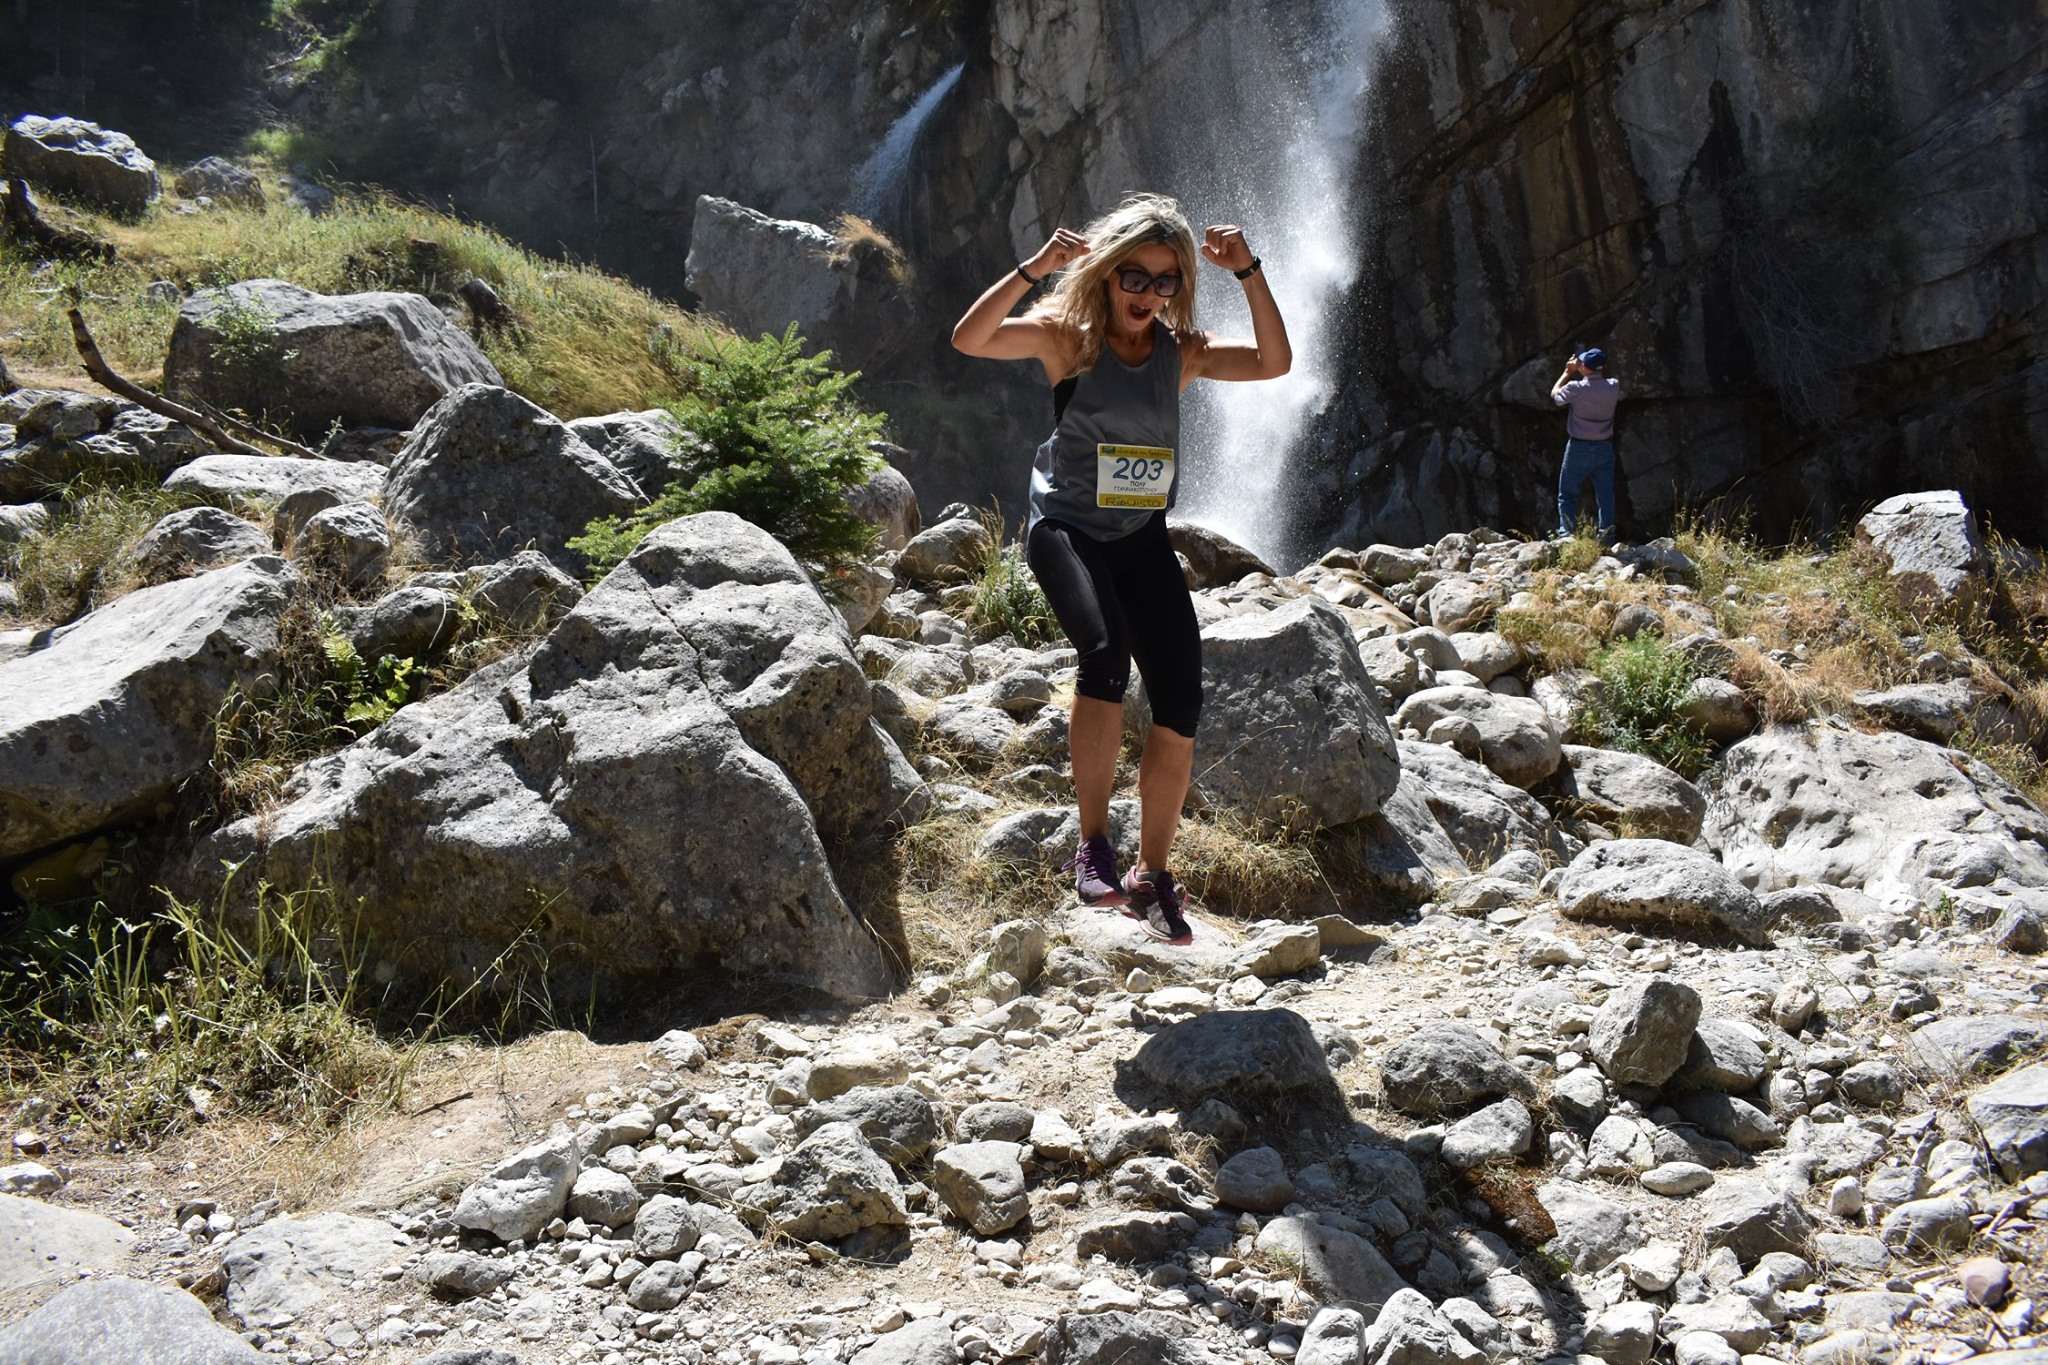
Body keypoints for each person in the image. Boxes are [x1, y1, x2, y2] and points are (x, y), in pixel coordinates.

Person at [950, 194, 1291, 945]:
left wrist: (1249, 272)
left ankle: (1152, 876)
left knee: (1181, 699)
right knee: (1103, 655)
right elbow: (969, 337)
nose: (1147, 293)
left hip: (1140, 537)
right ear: (1106, 273)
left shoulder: (1181, 352)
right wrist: (1035, 268)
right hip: (1067, 530)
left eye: (1165, 281)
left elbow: (1275, 362)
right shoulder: (1066, 338)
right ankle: (1094, 847)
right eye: (1133, 275)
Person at [1551, 347, 1621, 540]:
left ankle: (1566, 535)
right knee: (1605, 495)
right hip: (1604, 447)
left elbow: (1555, 397)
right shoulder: (1613, 386)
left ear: (1584, 367)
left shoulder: (1576, 388)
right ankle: (1606, 538)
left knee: (1567, 494)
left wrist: (1567, 372)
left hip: (1578, 447)